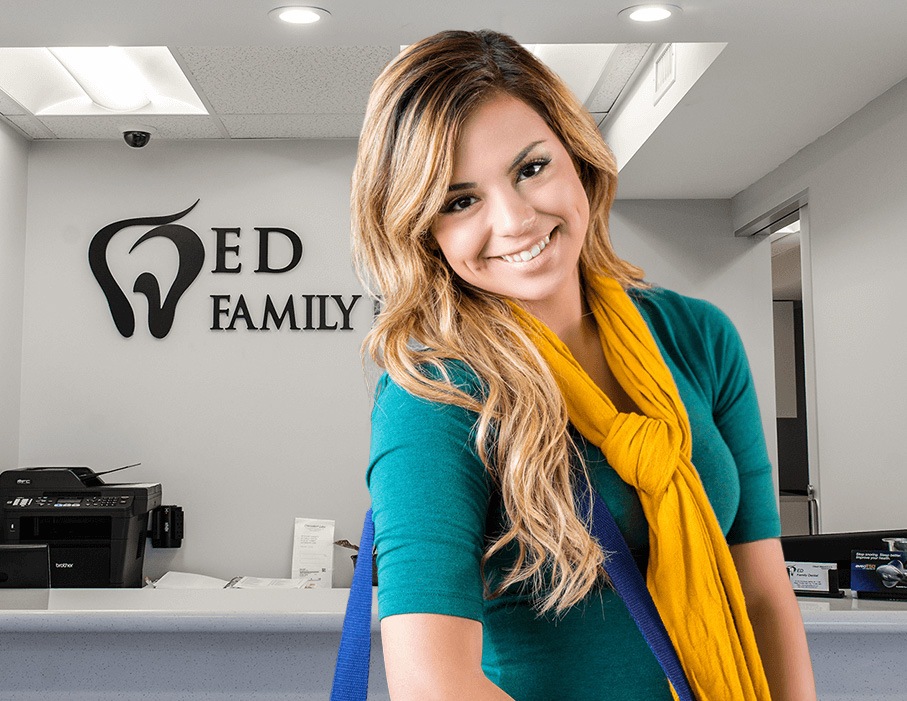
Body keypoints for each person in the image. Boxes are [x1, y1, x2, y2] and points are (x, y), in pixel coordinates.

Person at [351, 29, 816, 701]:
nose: (513, 219)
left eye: (530, 168)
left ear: (577, 159)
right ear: (423, 232)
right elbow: (433, 684)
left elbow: (763, 591)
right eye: (459, 200)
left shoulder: (696, 336)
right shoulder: (435, 392)